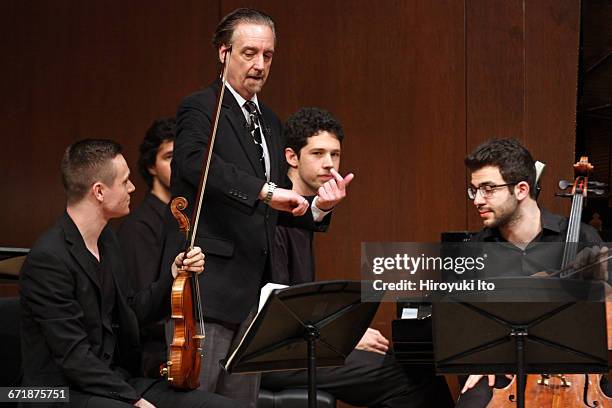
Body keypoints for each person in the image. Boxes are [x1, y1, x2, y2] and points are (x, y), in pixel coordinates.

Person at [169, 8, 352, 406]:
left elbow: (282, 198)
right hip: (211, 288)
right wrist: (265, 192)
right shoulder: (201, 107)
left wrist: (317, 207)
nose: (259, 65)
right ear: (223, 53)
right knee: (202, 401)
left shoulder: (269, 119)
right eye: (249, 53)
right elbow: (194, 163)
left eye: (267, 56)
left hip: (256, 293)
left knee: (242, 403)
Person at [19, 139, 244, 408]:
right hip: (57, 391)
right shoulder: (48, 259)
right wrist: (134, 400)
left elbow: (131, 313)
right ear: (99, 192)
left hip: (114, 380)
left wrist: (174, 275)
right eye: (125, 181)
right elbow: (73, 356)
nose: (133, 188)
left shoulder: (108, 241)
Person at [261, 107, 453, 407]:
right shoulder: (274, 212)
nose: (329, 164)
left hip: (301, 344)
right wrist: (339, 338)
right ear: (291, 157)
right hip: (275, 355)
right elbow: (279, 308)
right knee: (407, 379)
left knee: (420, 371)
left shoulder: (307, 212)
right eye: (318, 153)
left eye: (335, 155)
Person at [456, 138, 609, 407]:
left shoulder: (584, 238)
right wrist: (478, 359)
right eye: (474, 190)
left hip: (579, 373)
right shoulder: (476, 251)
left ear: (521, 189)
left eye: (488, 189)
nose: (478, 199)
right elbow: (463, 327)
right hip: (505, 370)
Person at [118, 118, 175, 377]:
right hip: (156, 353)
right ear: (152, 166)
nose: (181, 164)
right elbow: (141, 308)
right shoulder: (139, 226)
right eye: (170, 157)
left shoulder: (190, 218)